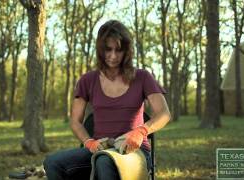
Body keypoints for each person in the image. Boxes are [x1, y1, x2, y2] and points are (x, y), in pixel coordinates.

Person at [43, 20, 171, 180]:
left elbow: (164, 114)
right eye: (108, 50)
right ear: (100, 50)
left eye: (119, 50)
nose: (113, 56)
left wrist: (141, 131)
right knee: (52, 162)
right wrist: (89, 142)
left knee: (104, 162)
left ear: (127, 50)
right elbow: (75, 121)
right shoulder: (88, 80)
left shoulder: (142, 77)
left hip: (134, 152)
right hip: (100, 149)